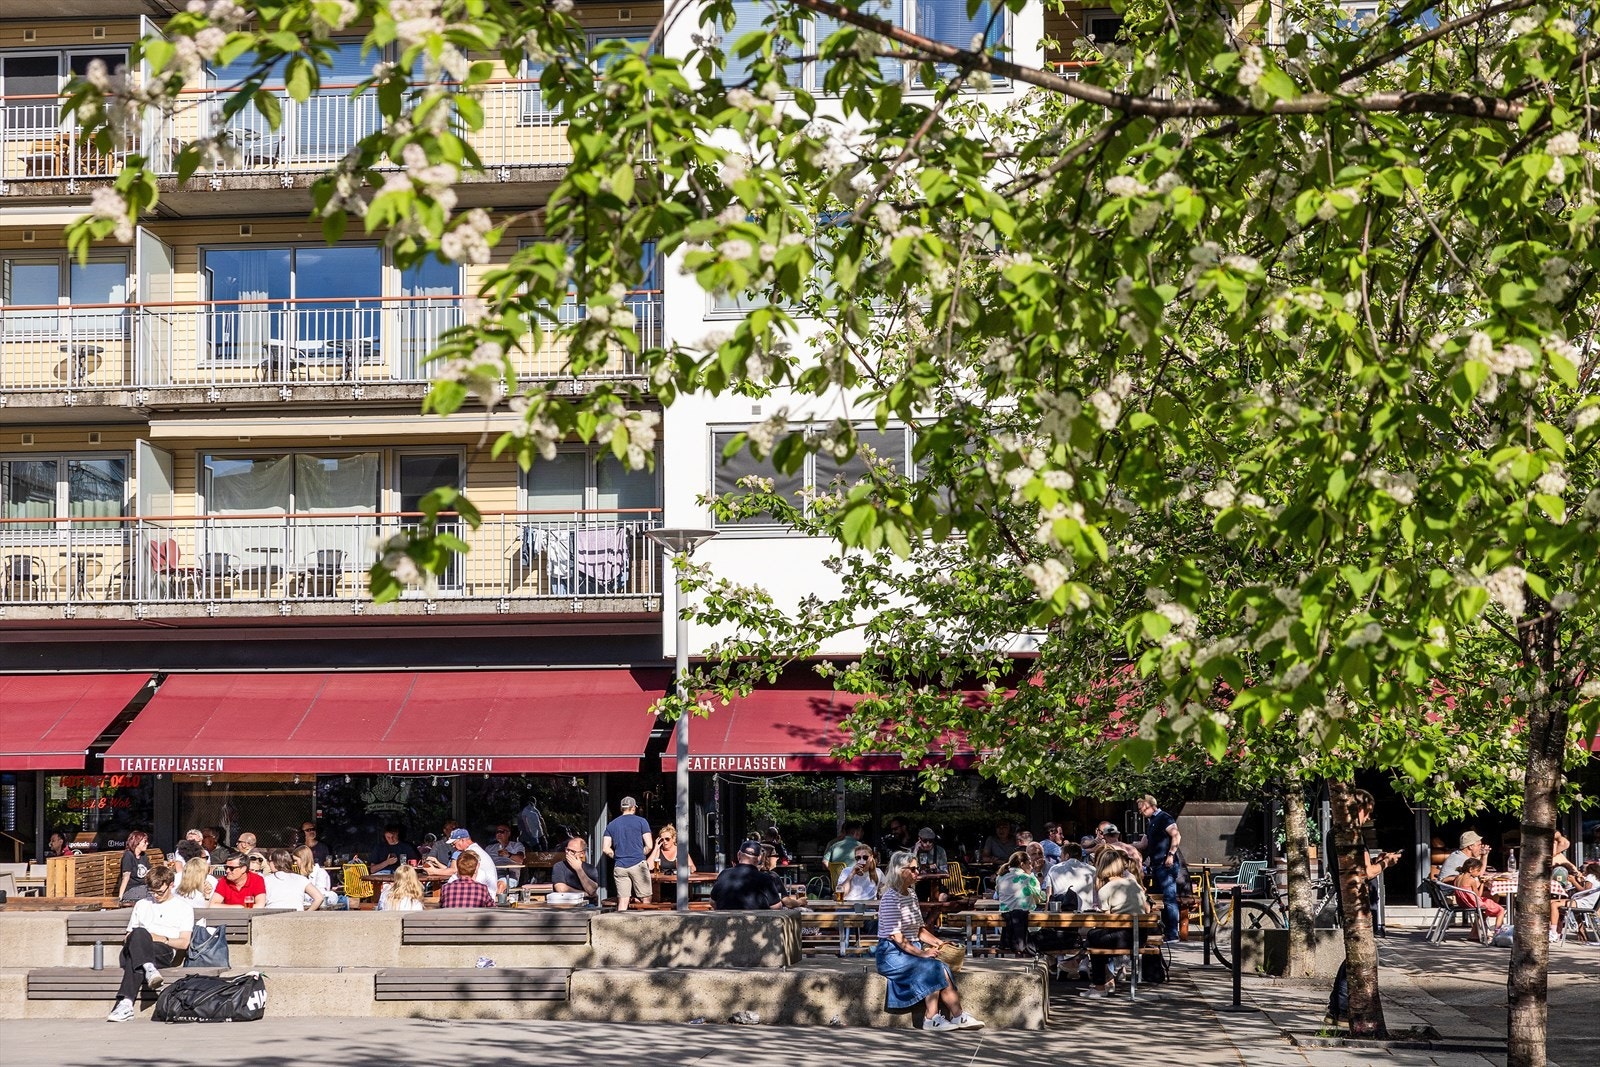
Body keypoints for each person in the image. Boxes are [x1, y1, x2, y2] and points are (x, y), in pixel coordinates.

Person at [874, 850, 983, 1031]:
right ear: (900, 870)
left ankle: (957, 1016)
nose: (918, 873)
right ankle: (932, 1018)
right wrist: (923, 953)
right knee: (931, 967)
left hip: (909, 950)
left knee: (940, 966)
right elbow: (898, 938)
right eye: (914, 869)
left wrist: (938, 942)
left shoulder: (912, 895)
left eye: (918, 869)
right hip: (891, 953)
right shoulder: (890, 898)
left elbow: (919, 930)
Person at [1327, 788, 1402, 1023]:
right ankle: (1339, 1009)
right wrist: (1386, 864)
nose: (1368, 818)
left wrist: (1376, 861)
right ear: (1359, 809)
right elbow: (1364, 872)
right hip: (1356, 901)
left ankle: (1336, 1009)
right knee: (1358, 956)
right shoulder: (1352, 836)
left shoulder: (1334, 834)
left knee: (1355, 955)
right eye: (1368, 812)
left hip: (1349, 898)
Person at [105, 865, 192, 1022]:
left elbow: (184, 943)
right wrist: (143, 936)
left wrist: (160, 938)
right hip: (137, 947)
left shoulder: (183, 908)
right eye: (152, 892)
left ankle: (125, 1004)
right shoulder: (142, 904)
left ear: (171, 885)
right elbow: (128, 937)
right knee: (139, 933)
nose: (156, 896)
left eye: (160, 892)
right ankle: (149, 968)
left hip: (163, 950)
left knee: (135, 958)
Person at [1079, 850, 1150, 998]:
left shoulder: (1105, 890)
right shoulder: (1133, 883)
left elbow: (1106, 922)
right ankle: (1105, 980)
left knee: (1093, 938)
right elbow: (1145, 907)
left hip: (1121, 938)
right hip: (1140, 936)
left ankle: (1099, 986)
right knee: (1095, 938)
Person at [1136, 794, 1183, 943]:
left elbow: (1176, 836)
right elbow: (1143, 844)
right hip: (1156, 865)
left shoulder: (1164, 818)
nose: (1140, 812)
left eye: (1141, 808)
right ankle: (1159, 930)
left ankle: (1173, 934)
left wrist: (1171, 854)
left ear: (1150, 805)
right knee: (1157, 898)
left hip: (1165, 864)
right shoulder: (1151, 822)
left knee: (1169, 898)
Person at [602, 796, 654, 913]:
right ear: (633, 808)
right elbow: (649, 845)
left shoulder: (611, 825)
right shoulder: (642, 822)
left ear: (621, 808)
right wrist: (641, 854)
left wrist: (617, 856)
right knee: (646, 898)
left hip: (620, 866)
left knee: (623, 900)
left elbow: (605, 848)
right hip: (638, 864)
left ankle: (620, 927)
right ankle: (645, 927)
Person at [711, 840, 795, 910]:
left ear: (738, 855)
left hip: (726, 927)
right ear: (759, 859)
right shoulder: (765, 879)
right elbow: (776, 907)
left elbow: (712, 902)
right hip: (755, 927)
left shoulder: (724, 874)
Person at [995, 850, 1045, 956]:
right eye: (1029, 864)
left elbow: (998, 893)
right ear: (1022, 864)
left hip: (1004, 925)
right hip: (1025, 923)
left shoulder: (1000, 876)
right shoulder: (1029, 878)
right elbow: (1040, 898)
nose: (1031, 867)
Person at [425, 828, 501, 897]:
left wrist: (434, 871)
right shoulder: (474, 849)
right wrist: (437, 863)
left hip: (482, 895)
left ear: (463, 840)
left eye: (454, 843)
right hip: (481, 892)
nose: (453, 846)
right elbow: (455, 870)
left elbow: (454, 870)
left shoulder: (471, 853)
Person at [1449, 858, 1505, 934]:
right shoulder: (1471, 881)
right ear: (1471, 869)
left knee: (1484, 911)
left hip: (1463, 903)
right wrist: (1482, 883)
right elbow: (1478, 895)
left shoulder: (1457, 878)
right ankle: (1498, 933)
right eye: (1478, 870)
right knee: (1500, 910)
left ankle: (1474, 934)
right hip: (1474, 903)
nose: (1479, 873)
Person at [1046, 842, 1098, 910]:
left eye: (1061, 856)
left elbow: (1049, 896)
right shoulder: (1092, 870)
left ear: (1067, 856)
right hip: (1087, 914)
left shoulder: (1053, 869)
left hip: (1062, 914)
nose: (1060, 859)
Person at [117, 831, 152, 903]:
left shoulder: (143, 855)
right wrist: (120, 898)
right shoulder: (128, 856)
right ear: (137, 842)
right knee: (151, 894)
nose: (147, 844)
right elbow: (126, 877)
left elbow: (149, 873)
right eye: (145, 842)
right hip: (131, 890)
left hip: (143, 888)